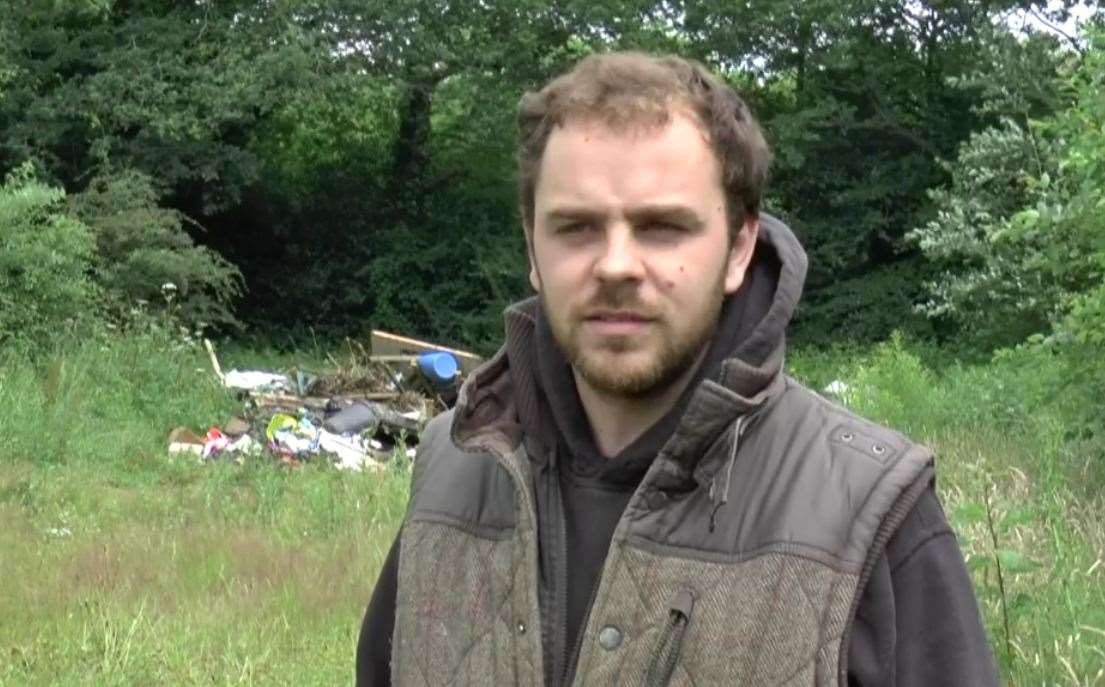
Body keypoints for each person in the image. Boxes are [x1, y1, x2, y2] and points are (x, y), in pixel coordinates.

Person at [356, 52, 998, 687]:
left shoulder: (871, 512)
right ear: (532, 247)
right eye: (576, 228)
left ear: (739, 247)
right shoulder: (451, 469)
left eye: (662, 228)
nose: (616, 266)